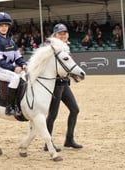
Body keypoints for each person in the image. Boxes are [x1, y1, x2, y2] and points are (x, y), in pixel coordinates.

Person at [44, 23, 83, 152]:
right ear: (54, 35)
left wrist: (72, 74)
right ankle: (47, 143)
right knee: (53, 115)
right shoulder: (50, 48)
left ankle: (69, 140)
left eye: (65, 33)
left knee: (75, 109)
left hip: (64, 83)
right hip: (54, 85)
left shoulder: (66, 48)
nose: (63, 35)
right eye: (60, 33)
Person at [0, 12, 27, 116]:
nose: (4, 28)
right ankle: (9, 107)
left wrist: (23, 64)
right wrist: (13, 68)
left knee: (25, 77)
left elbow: (18, 56)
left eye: (5, 25)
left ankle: (21, 104)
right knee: (15, 78)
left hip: (9, 68)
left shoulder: (11, 41)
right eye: (1, 26)